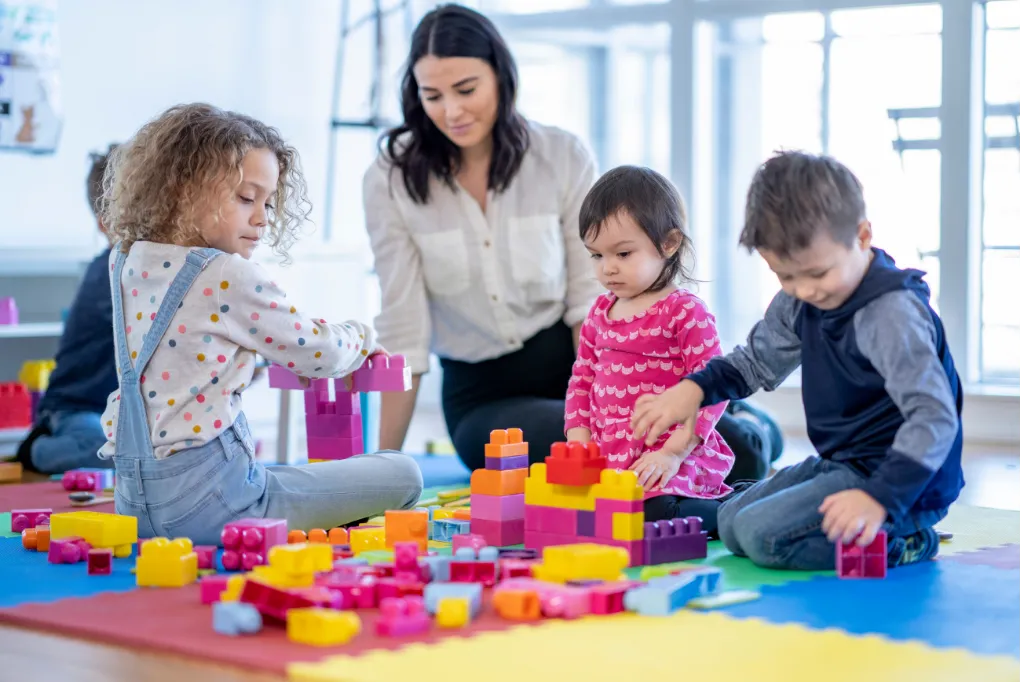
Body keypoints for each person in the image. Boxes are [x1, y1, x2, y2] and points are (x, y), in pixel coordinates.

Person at [364, 3, 781, 479]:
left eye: (466, 89)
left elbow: (591, 294)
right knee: (607, 458)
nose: (451, 111)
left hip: (591, 365)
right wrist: (383, 469)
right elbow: (403, 330)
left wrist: (610, 402)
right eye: (432, 96)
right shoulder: (389, 180)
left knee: (723, 445)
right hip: (486, 398)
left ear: (500, 77)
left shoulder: (559, 154)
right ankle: (741, 425)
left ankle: (745, 420)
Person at [96, 103, 422, 544]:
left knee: (286, 475)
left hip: (133, 506)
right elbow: (318, 351)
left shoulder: (125, 260)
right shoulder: (225, 273)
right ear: (183, 190)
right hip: (218, 509)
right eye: (246, 198)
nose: (263, 217)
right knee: (403, 472)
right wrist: (361, 338)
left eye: (268, 202)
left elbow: (185, 349)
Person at [631, 150, 963, 570]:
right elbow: (755, 362)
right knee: (730, 523)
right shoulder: (802, 299)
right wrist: (693, 390)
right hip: (842, 464)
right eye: (785, 276)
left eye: (817, 274)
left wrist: (879, 498)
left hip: (904, 483)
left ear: (862, 236)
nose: (803, 290)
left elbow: (934, 418)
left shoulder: (889, 314)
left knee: (762, 539)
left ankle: (907, 541)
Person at [565, 166, 734, 530]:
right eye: (596, 256)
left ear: (669, 244)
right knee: (583, 513)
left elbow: (714, 388)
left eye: (623, 254)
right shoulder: (598, 312)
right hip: (613, 460)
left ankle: (740, 507)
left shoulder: (684, 311)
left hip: (671, 453)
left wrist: (673, 453)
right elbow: (581, 381)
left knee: (654, 514)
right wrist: (578, 443)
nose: (607, 269)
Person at [16, 145, 120, 474]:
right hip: (75, 409)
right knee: (104, 450)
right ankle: (35, 450)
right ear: (105, 224)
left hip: (115, 414)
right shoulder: (108, 273)